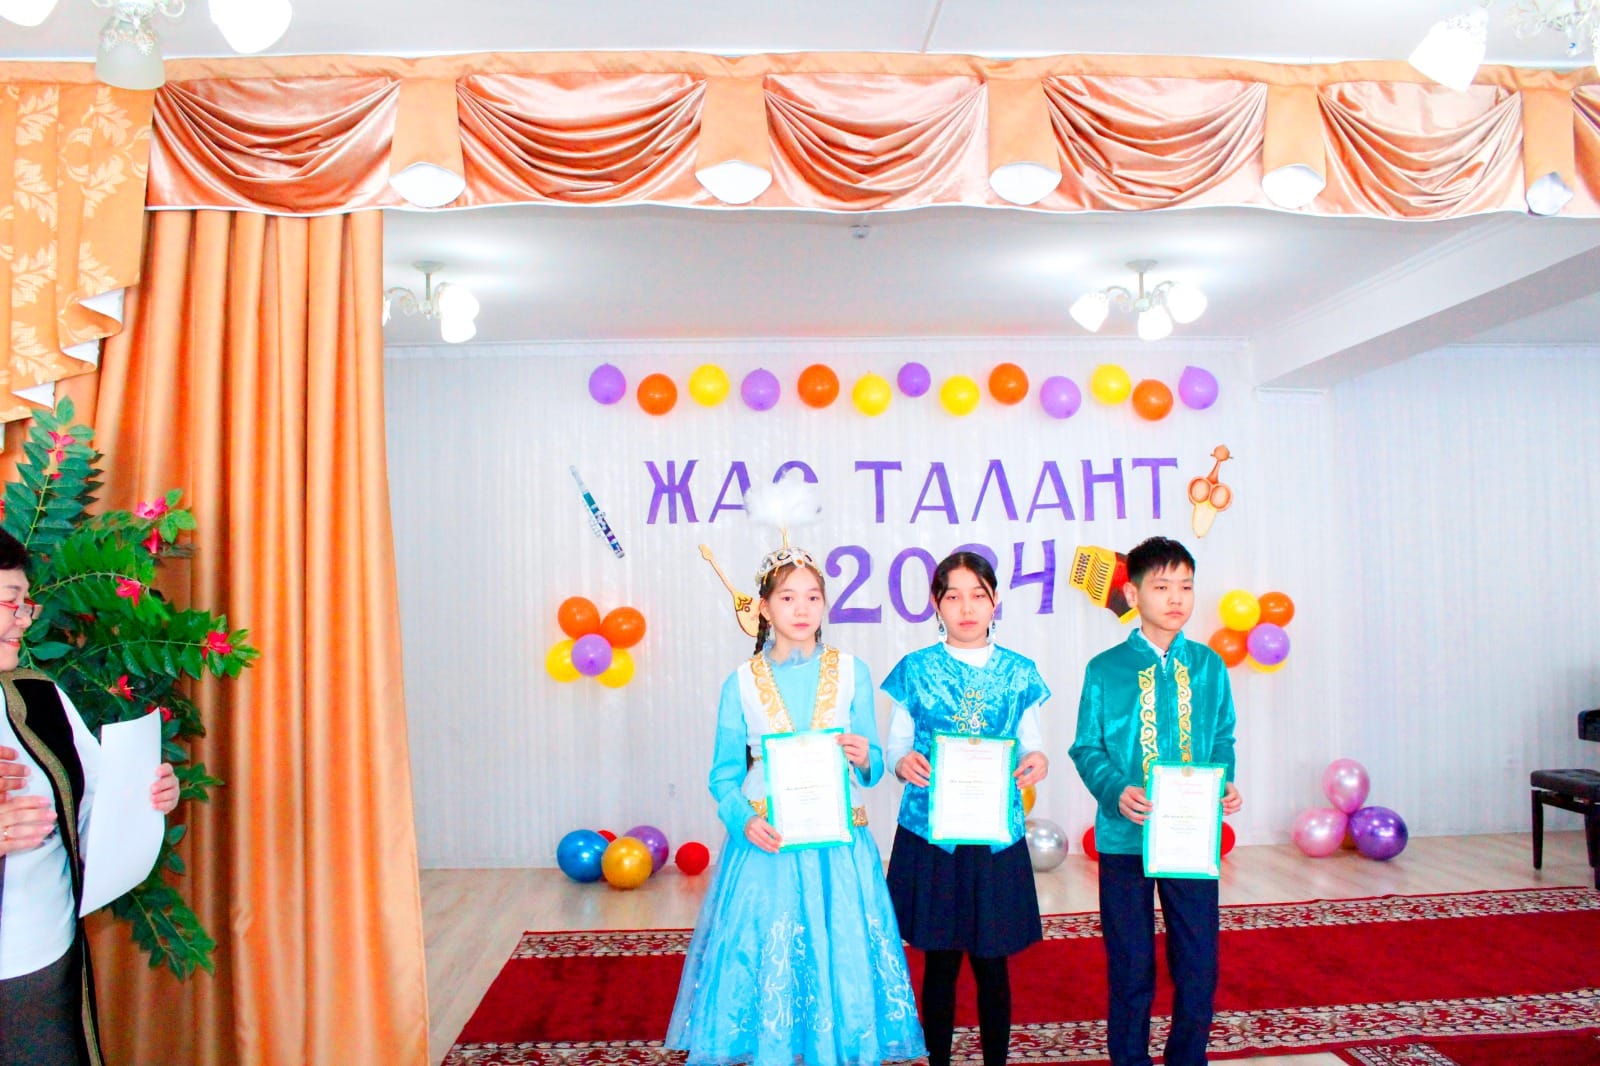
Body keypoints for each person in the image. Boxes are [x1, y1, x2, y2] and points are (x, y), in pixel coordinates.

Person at [665, 535, 925, 1066]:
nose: (801, 609)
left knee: (839, 943)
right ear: (763, 608)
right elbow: (723, 775)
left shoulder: (852, 672)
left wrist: (865, 756)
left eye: (812, 597)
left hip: (838, 842)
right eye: (787, 598)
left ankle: (839, 1043)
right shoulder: (741, 683)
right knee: (770, 949)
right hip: (769, 842)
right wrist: (742, 820)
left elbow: (874, 765)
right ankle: (777, 1045)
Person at [0, 529, 180, 1066]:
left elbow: (93, 812)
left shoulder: (40, 698)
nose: (23, 619)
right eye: (10, 602)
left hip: (44, 963)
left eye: (26, 604)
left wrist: (146, 798)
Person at [1068, 536, 1242, 1066]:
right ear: (1132, 594)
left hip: (1191, 839)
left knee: (1198, 960)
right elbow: (1086, 747)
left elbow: (1222, 738)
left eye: (1186, 587)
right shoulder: (1105, 669)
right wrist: (1114, 790)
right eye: (1162, 587)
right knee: (1130, 962)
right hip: (1125, 840)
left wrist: (1224, 782)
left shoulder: (1209, 666)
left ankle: (1188, 1057)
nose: (1176, 598)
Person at [882, 550, 1051, 1066]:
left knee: (992, 963)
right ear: (936, 604)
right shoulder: (915, 670)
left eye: (978, 595)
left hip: (994, 834)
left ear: (995, 601)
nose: (967, 607)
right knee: (939, 963)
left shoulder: (1020, 672)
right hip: (932, 834)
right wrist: (901, 762)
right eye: (953, 596)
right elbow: (896, 744)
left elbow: (1031, 742)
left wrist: (1037, 759)